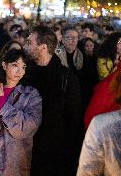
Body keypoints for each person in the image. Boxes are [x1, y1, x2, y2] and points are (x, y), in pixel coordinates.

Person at [24, 26, 83, 176]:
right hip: (24, 148)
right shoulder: (23, 73)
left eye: (30, 42)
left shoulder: (66, 78)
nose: (25, 46)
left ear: (42, 47)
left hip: (53, 154)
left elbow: (74, 121)